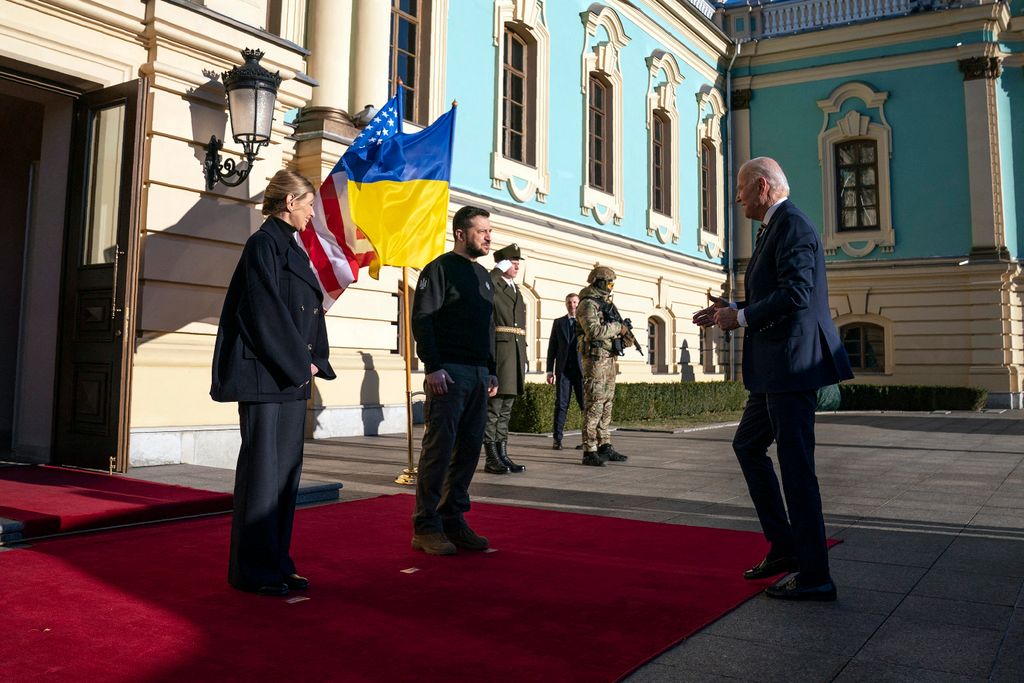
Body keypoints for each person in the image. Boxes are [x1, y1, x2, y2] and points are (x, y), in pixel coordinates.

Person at [693, 156, 853, 602]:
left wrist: (739, 316)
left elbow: (797, 293)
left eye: (742, 189)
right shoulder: (776, 227)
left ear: (762, 186)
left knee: (797, 469)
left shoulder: (794, 226)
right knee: (747, 445)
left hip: (790, 366)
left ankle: (816, 574)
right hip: (773, 369)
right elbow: (777, 291)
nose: (738, 197)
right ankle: (784, 547)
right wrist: (732, 305)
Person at [211, 169, 336, 596]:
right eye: (308, 204)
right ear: (289, 202)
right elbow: (263, 311)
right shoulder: (262, 244)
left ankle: (278, 562)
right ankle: (253, 571)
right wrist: (301, 363)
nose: (311, 212)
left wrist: (316, 358)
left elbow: (311, 311)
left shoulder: (294, 249)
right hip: (266, 376)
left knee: (285, 477)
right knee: (263, 477)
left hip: (290, 376)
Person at [410, 205, 500, 555]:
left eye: (490, 231)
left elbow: (487, 327)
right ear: (461, 234)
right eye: (482, 231)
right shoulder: (439, 269)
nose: (489, 236)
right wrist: (432, 366)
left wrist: (490, 367)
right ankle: (426, 526)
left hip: (478, 375)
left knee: (469, 451)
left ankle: (453, 519)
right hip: (448, 373)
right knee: (439, 450)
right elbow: (423, 319)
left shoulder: (485, 277)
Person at [576, 266, 633, 466]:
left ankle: (604, 444)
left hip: (609, 358)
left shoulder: (606, 304)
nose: (610, 287)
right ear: (598, 282)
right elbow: (593, 331)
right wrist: (618, 327)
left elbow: (614, 328)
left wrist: (625, 335)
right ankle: (589, 449)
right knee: (595, 403)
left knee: (607, 402)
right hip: (595, 359)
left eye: (612, 284)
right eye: (608, 283)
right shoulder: (587, 304)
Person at [482, 244, 528, 474]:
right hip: (500, 354)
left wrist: (525, 357)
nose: (516, 265)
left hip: (515, 355)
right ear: (502, 264)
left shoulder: (516, 289)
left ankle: (502, 454)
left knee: (506, 408)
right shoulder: (495, 284)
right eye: (512, 261)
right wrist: (496, 271)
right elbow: (484, 286)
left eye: (518, 261)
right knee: (494, 408)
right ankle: (491, 458)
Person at [546, 293, 584, 450]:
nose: (572, 305)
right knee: (561, 405)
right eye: (569, 302)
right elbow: (552, 348)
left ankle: (588, 440)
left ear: (579, 304)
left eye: (575, 302)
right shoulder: (558, 323)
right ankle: (557, 439)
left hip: (581, 373)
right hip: (563, 372)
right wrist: (549, 370)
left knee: (585, 406)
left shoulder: (585, 323)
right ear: (566, 304)